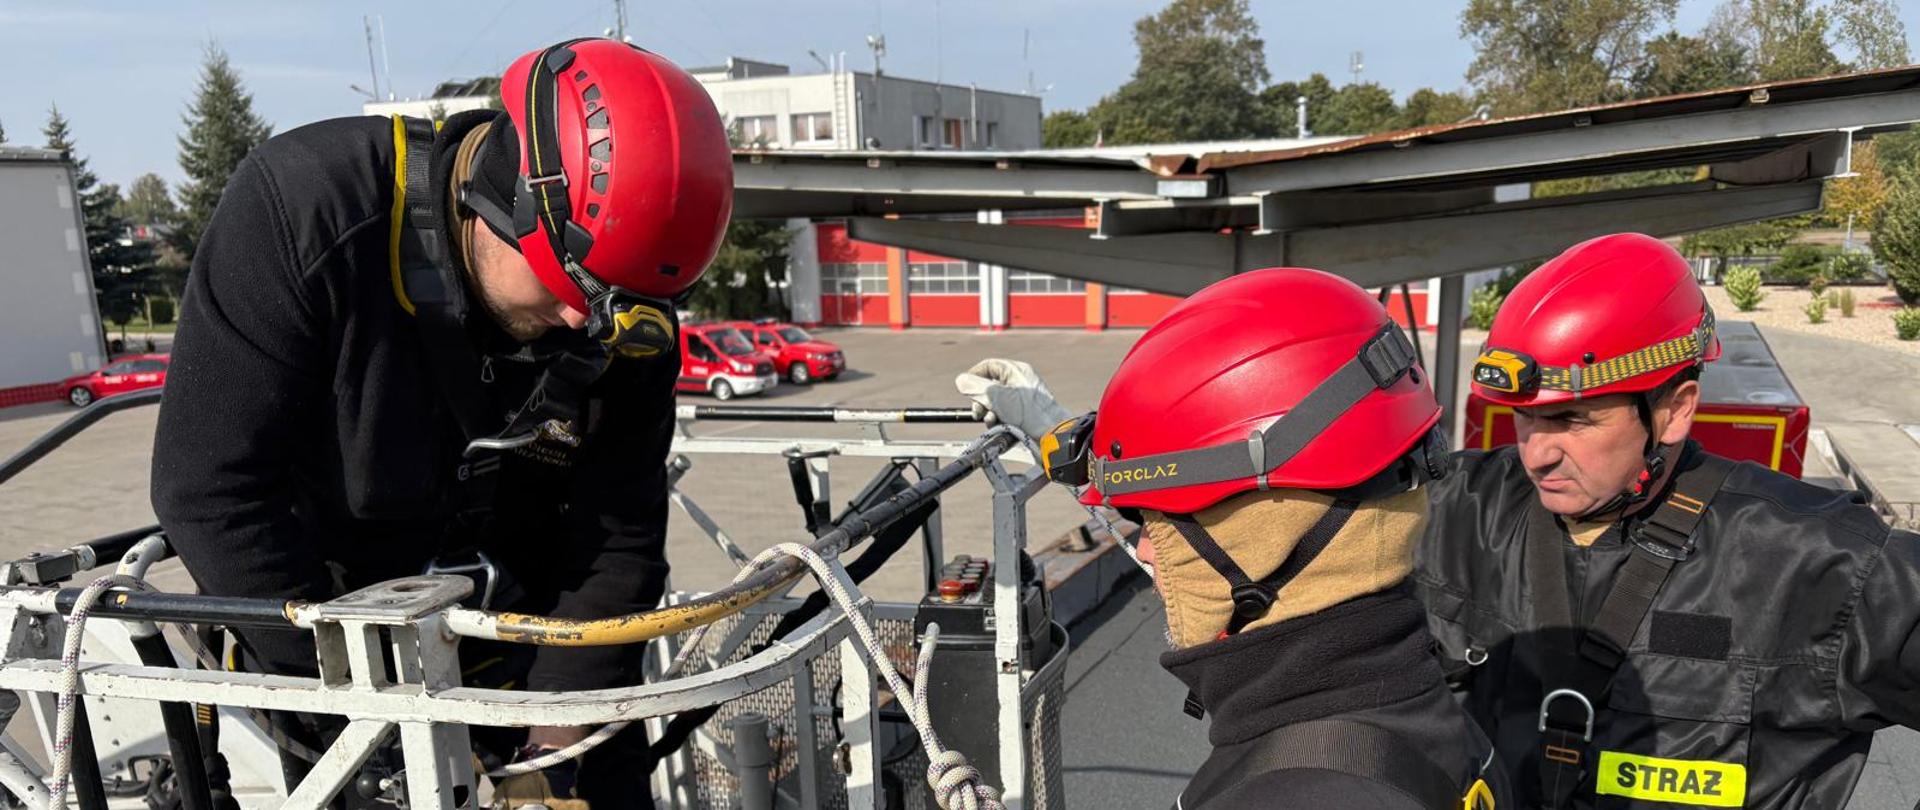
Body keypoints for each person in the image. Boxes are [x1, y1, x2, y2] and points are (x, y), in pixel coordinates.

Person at [150, 38, 732, 809]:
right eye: (566, 290)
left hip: (537, 632)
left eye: (602, 307)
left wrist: (554, 746)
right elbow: (212, 493)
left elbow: (616, 535)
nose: (573, 320)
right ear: (496, 199)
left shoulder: (620, 311)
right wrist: (372, 725)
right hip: (331, 639)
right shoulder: (306, 210)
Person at [959, 268, 1503, 809]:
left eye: (1161, 523)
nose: (1145, 550)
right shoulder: (1406, 702)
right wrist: (1056, 428)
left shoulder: (1301, 791)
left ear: (1270, 530)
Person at [1414, 232, 1920, 809]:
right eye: (1524, 420)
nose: (1534, 454)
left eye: (1573, 420)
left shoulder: (1819, 562)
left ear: (1674, 410)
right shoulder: (1450, 513)